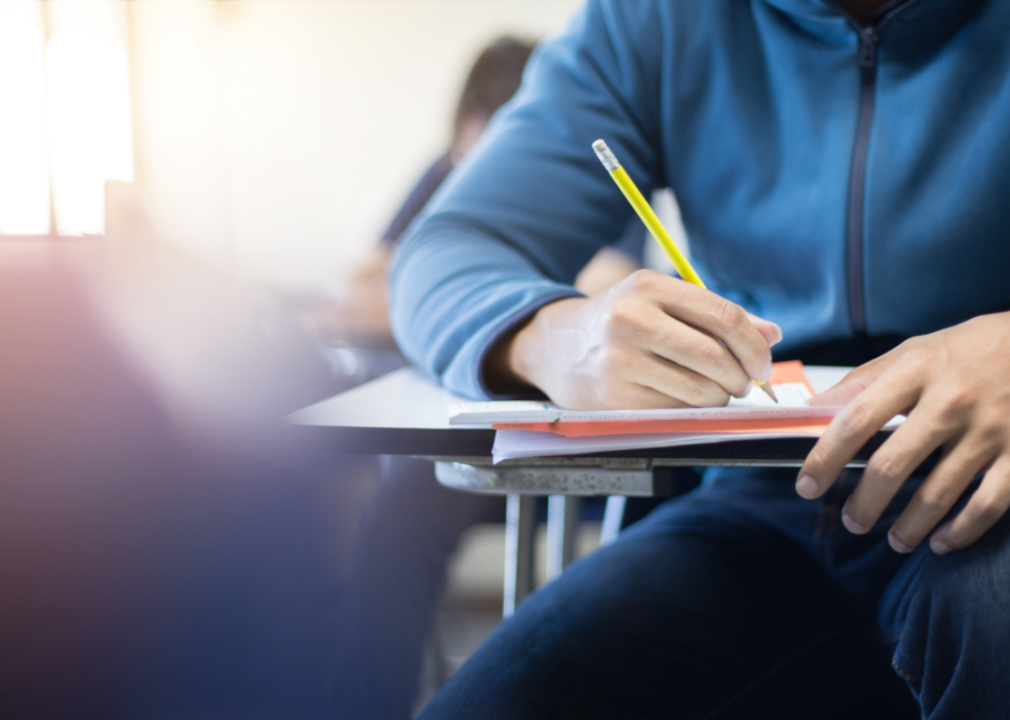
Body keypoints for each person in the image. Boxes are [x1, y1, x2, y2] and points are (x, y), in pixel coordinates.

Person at [390, 1, 1010, 718]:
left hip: (990, 493)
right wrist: (554, 337)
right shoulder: (656, 17)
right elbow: (446, 252)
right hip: (759, 500)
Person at [328, 36, 651, 720]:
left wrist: (471, 309)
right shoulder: (443, 175)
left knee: (662, 520)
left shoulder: (588, 167)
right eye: (463, 159)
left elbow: (613, 292)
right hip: (478, 434)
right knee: (401, 503)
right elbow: (363, 288)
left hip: (588, 441)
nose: (473, 176)